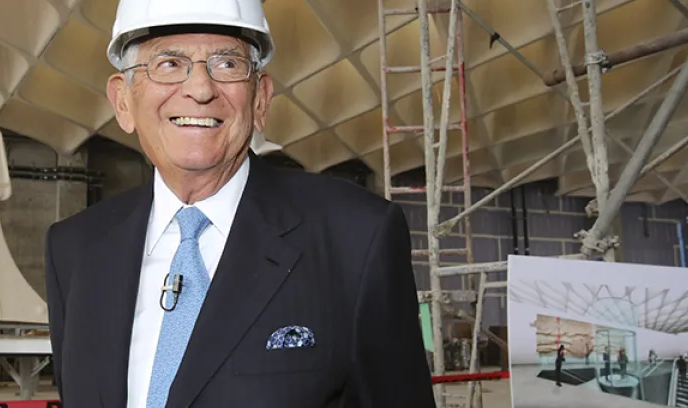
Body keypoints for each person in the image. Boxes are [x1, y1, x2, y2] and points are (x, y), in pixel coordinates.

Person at [42, 0, 435, 407]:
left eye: (227, 64)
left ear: (261, 99)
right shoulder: (74, 250)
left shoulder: (355, 238)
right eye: (169, 64)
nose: (199, 89)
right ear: (122, 101)